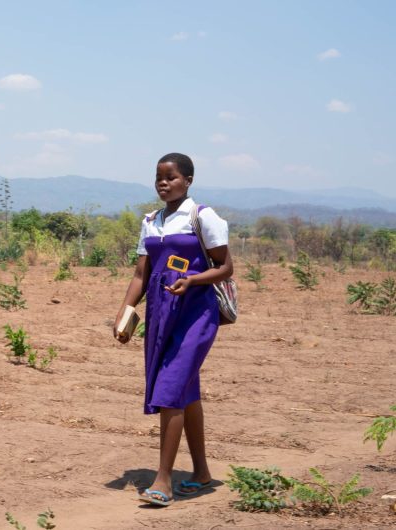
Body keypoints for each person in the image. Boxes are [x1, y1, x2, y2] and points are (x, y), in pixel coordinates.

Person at [114, 153, 233, 507]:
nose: (163, 183)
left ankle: (163, 480)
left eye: (171, 177)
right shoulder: (150, 221)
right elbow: (141, 274)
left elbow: (225, 268)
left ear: (189, 180)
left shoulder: (202, 217)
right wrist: (125, 312)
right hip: (161, 315)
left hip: (196, 315)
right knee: (186, 391)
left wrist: (192, 280)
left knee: (169, 388)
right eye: (158, 178)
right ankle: (201, 474)